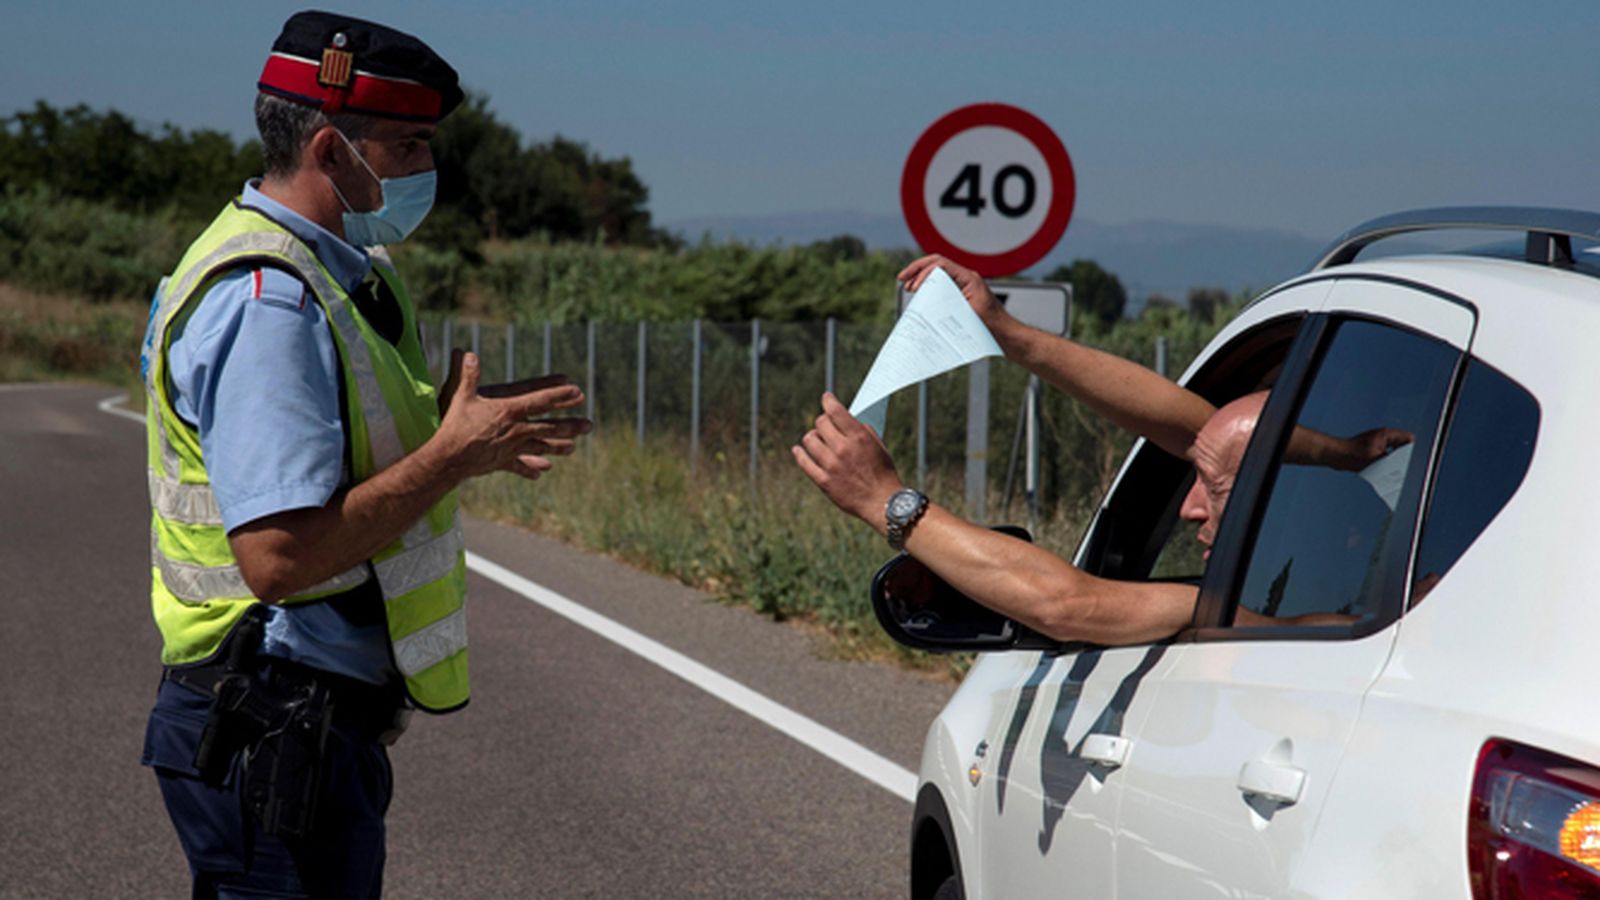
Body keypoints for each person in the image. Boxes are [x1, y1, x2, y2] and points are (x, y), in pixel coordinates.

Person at [138, 12, 590, 897]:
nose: (428, 168)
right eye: (410, 144)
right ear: (333, 151)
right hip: (266, 715)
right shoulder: (270, 302)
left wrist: (475, 427)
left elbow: (353, 441)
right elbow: (279, 557)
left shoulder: (341, 269)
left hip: (302, 717)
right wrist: (452, 459)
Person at [792, 255, 1406, 644]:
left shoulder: (1242, 616)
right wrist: (1007, 335)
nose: (1188, 508)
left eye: (1216, 487)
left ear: (1284, 502)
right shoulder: (1376, 583)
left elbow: (1064, 604)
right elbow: (1206, 433)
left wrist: (885, 502)